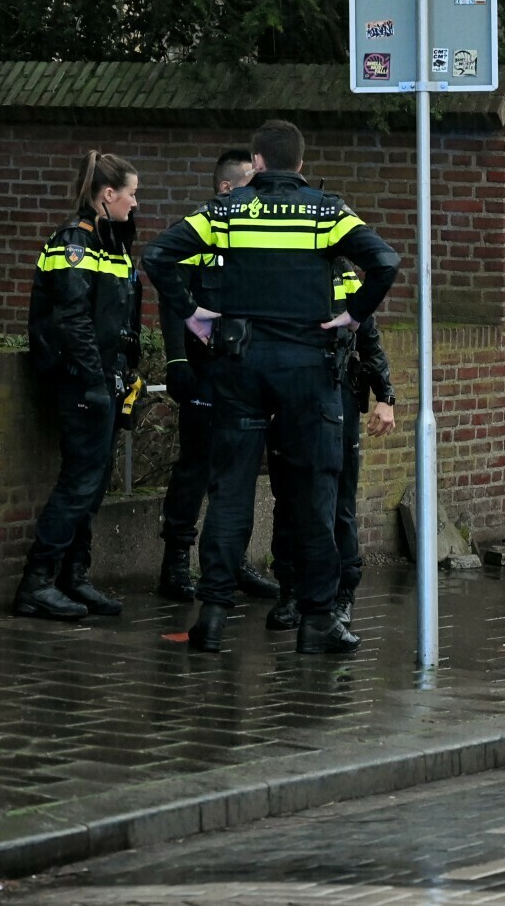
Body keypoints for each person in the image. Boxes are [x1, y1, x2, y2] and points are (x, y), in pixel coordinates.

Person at [145, 120, 399, 654]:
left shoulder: (227, 209)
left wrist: (192, 314)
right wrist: (352, 316)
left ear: (256, 161)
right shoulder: (327, 211)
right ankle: (317, 620)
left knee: (231, 489)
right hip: (309, 371)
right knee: (314, 493)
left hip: (239, 368)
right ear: (301, 165)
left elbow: (158, 256)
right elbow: (384, 261)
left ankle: (212, 616)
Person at [16, 151, 143, 621]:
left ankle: (75, 576)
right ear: (108, 194)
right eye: (131, 194)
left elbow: (119, 319)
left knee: (92, 486)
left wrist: (126, 371)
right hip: (79, 383)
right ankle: (37, 583)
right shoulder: (74, 241)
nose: (135, 203)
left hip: (104, 381)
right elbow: (73, 321)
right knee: (78, 483)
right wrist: (93, 381)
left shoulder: (114, 244)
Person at [157, 150, 281, 604]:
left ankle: (234, 560)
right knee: (197, 466)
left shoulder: (253, 229)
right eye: (251, 181)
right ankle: (175, 562)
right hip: (204, 372)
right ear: (228, 187)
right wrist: (177, 363)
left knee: (240, 469)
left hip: (244, 373)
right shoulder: (198, 229)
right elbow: (173, 300)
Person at [265, 261, 397, 631]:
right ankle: (290, 590)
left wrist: (385, 396)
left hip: (338, 394)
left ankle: (342, 595)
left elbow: (367, 334)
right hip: (290, 396)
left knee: (340, 500)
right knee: (289, 496)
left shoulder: (344, 274)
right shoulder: (282, 269)